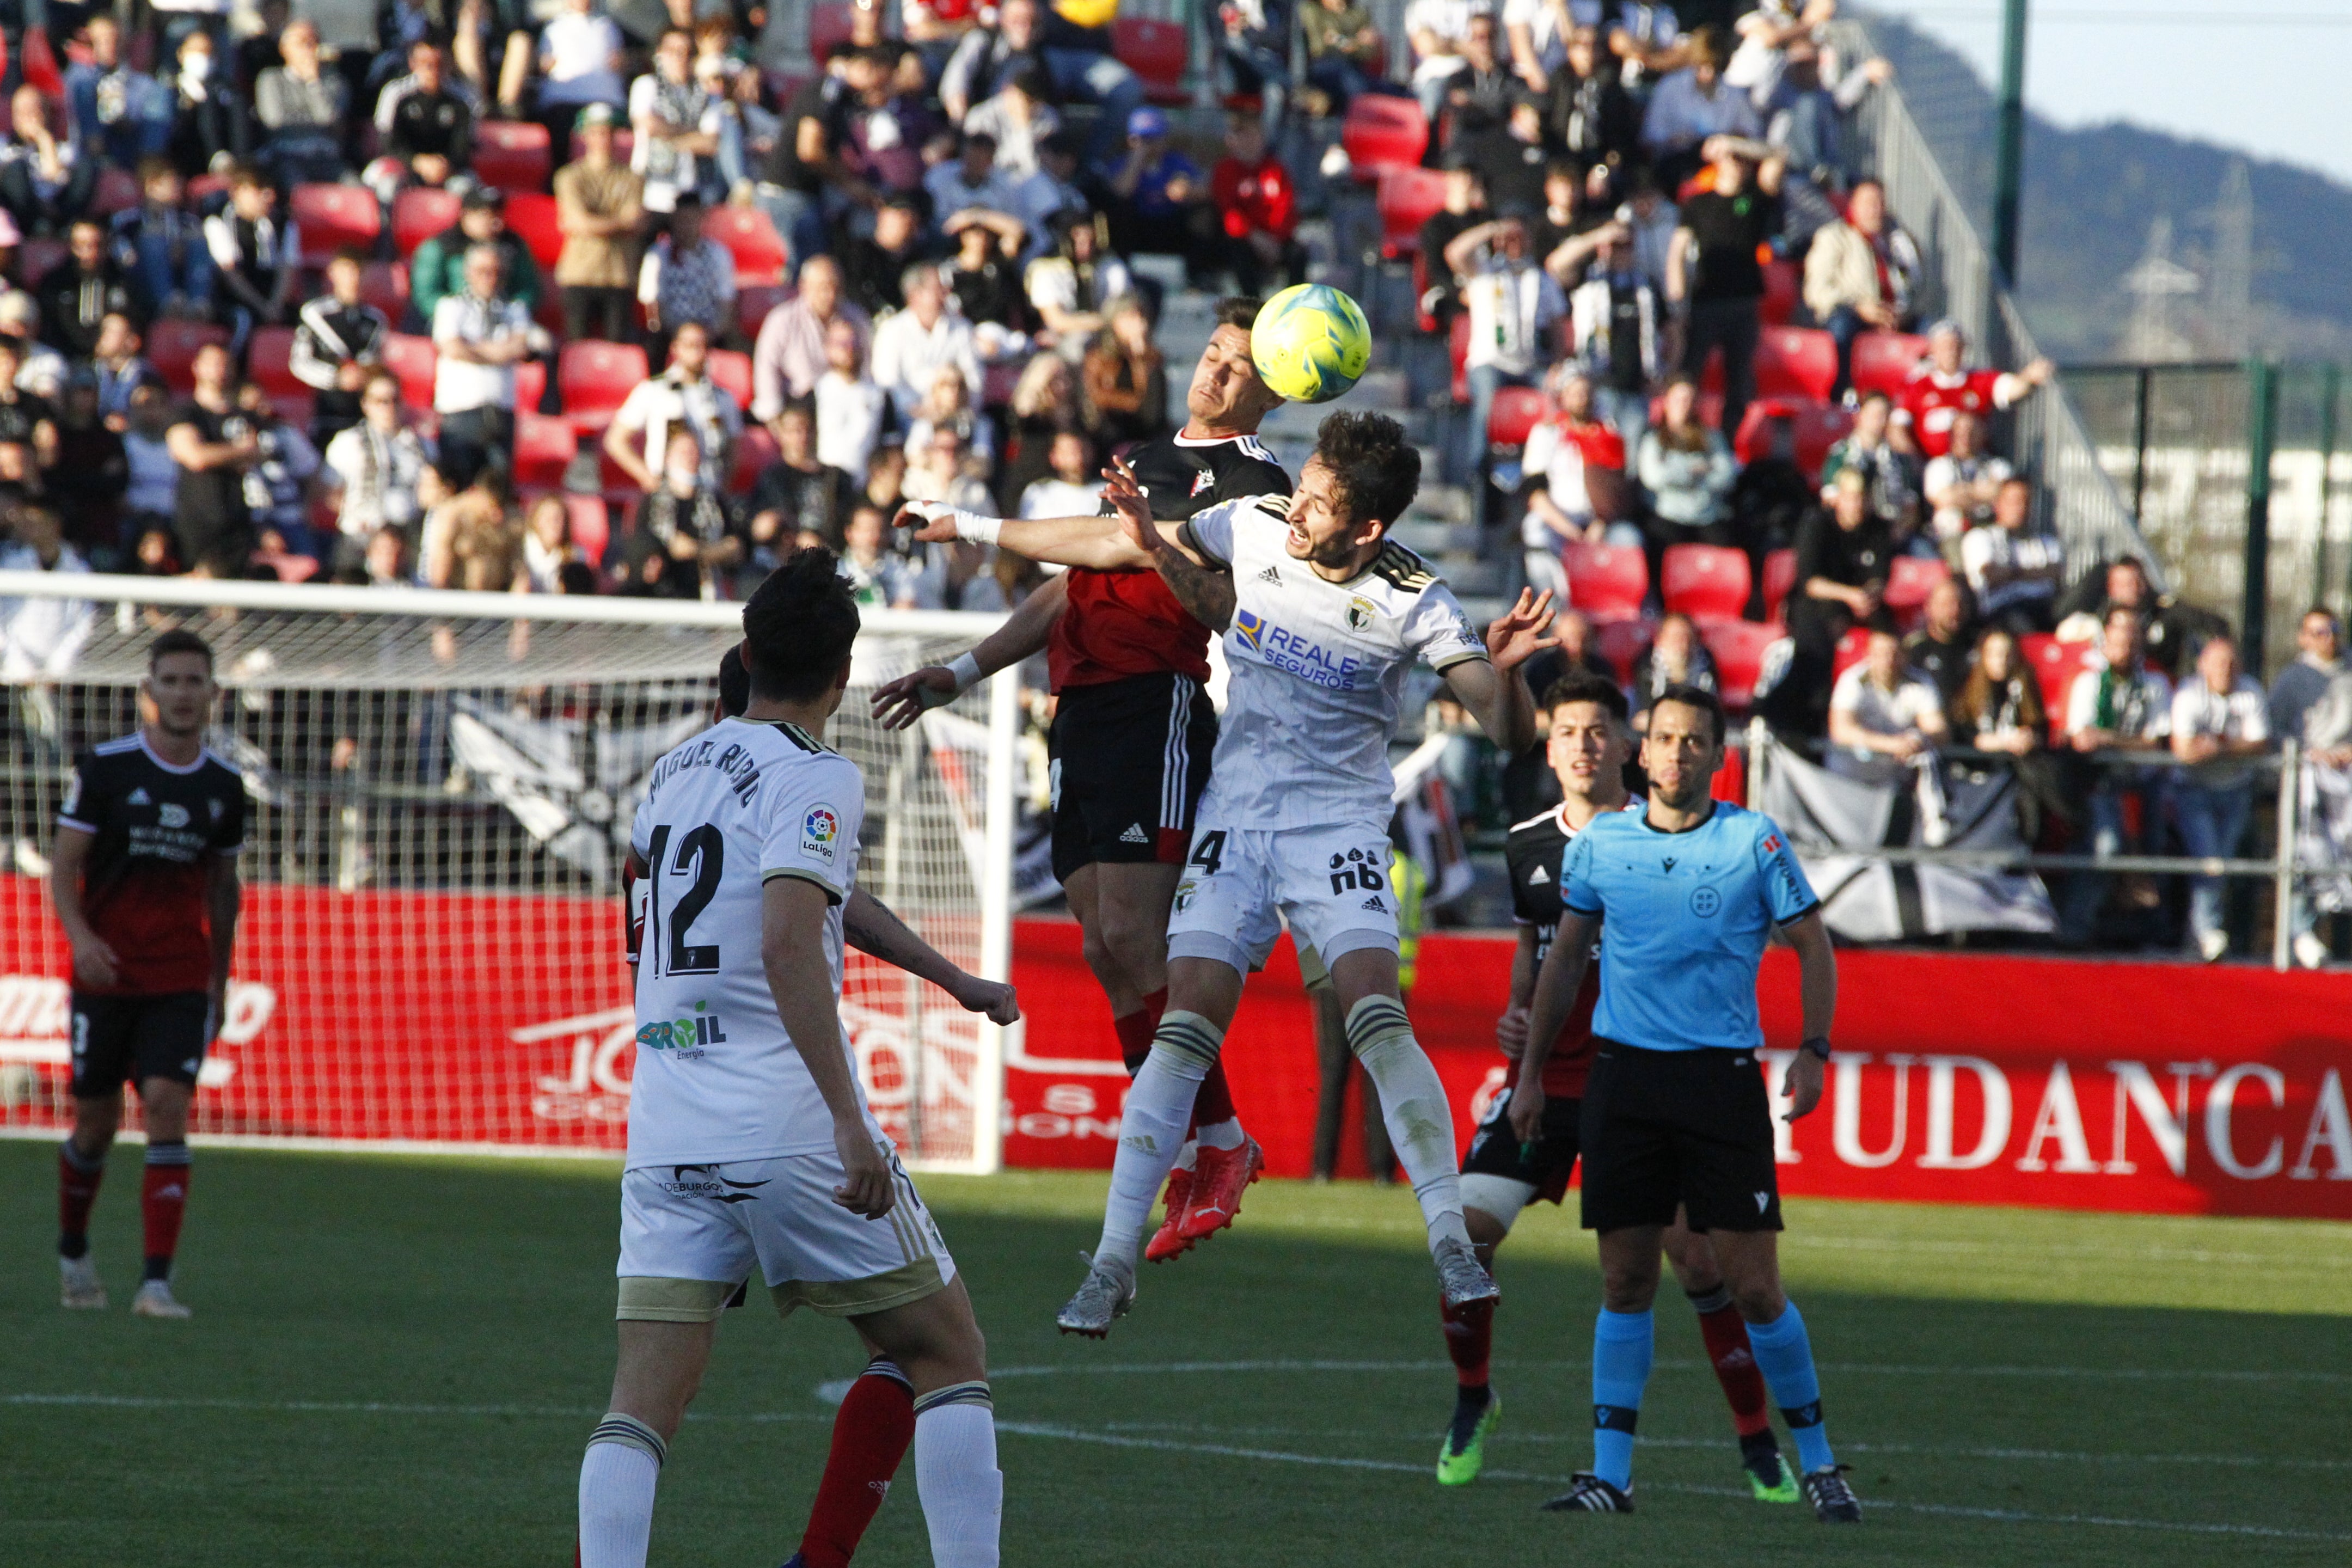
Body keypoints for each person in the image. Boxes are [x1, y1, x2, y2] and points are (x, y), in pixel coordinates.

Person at [933, 413, 1547, 1334]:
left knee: (1376, 1016)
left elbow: (1505, 732)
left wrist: (1510, 677)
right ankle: (1109, 1265)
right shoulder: (1255, 521)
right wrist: (984, 527)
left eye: (1322, 501)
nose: (1299, 507)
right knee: (1182, 1031)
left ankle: (1451, 1244)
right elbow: (1123, 553)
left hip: (1334, 826)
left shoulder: (1418, 600)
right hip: (1237, 818)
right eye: (1302, 484)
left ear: (1368, 530)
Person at [578, 550, 1012, 1568]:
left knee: (640, 1407)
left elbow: (776, 897)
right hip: (781, 1121)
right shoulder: (817, 771)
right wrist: (849, 1121)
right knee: (947, 1354)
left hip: (668, 1122)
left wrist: (951, 979)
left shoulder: (674, 770)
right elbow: (785, 935)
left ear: (747, 650)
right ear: (844, 672)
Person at [873, 299, 1290, 1262]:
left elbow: (1114, 546)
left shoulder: (1254, 481)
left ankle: (1221, 1141)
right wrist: (966, 672)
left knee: (1139, 937)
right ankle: (1194, 1142)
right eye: (1216, 357)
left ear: (1270, 393)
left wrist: (975, 523)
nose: (1218, 376)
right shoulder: (1146, 457)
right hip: (1082, 708)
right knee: (1105, 947)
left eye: (1242, 370)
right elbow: (1075, 582)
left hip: (1159, 705)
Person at [1441, 673, 1794, 1500]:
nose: (1582, 746)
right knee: (1462, 1240)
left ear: (1625, 748)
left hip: (1637, 1087)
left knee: (1699, 1265)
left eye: (1599, 732)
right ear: (1550, 744)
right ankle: (1473, 1398)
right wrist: (1515, 1020)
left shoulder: (1660, 833)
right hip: (1547, 1084)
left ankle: (1757, 1442)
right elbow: (1536, 950)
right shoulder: (1529, 841)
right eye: (1567, 732)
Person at [1510, 683, 1855, 1522]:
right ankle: (1610, 1476)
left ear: (1716, 755)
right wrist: (1527, 1075)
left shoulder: (1752, 841)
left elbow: (1813, 945)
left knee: (1754, 1288)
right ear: (1643, 749)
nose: (1674, 754)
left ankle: (1819, 1461)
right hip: (1623, 1081)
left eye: (1692, 741)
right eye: (1663, 739)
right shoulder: (1603, 846)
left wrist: (1814, 1049)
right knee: (1625, 1279)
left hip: (1719, 1083)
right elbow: (1563, 965)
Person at [51, 630, 247, 1320]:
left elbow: (224, 891)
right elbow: (63, 865)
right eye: (172, 680)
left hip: (180, 977)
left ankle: (156, 1283)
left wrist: (220, 982)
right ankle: (74, 1251)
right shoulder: (105, 770)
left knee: (166, 1104)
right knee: (96, 1124)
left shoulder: (225, 788)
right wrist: (80, 941)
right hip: (106, 975)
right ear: (148, 691)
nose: (184, 693)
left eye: (197, 682)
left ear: (214, 696)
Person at [2057, 607, 2173, 947]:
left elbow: (2158, 744)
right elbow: (2083, 740)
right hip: (2099, 781)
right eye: (2119, 638)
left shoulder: (2155, 682)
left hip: (2146, 779)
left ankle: (2159, 935)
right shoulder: (2091, 681)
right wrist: (2134, 744)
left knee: (2157, 849)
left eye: (2132, 638)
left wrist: (2110, 738)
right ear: (2105, 642)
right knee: (2105, 847)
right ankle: (2075, 932)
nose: (2125, 645)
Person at [1666, 139, 1784, 440]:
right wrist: (1677, 302)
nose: (1737, 164)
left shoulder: (1754, 200)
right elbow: (1677, 253)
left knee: (1740, 378)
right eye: (1732, 159)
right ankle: (1680, 436)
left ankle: (1730, 443)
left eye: (1741, 160)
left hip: (1743, 302)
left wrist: (1733, 144)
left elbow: (1777, 157)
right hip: (1706, 300)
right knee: (1689, 372)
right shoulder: (1699, 203)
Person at [2170, 633, 2269, 963]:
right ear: (2203, 666)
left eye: (2230, 663)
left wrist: (2218, 746)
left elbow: (2260, 744)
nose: (2225, 669)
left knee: (2219, 864)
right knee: (2209, 861)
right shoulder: (2188, 695)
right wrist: (2228, 749)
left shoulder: (2250, 691)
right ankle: (2206, 930)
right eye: (2217, 662)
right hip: (2193, 790)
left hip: (2235, 791)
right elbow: (2184, 751)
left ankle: (2196, 940)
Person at [1772, 466, 1891, 737]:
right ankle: (1811, 717)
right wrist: (1850, 595)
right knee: (1815, 642)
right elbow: (1810, 582)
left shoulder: (1878, 529)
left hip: (1861, 602)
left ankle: (1888, 696)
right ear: (1838, 498)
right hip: (1818, 601)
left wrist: (1870, 594)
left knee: (1888, 630)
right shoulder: (1817, 523)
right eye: (1851, 497)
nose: (1857, 504)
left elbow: (1881, 575)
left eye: (1862, 497)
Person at [431, 242, 536, 490]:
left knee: (498, 489)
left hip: (500, 413)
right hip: (461, 413)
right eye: (483, 271)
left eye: (496, 272)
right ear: (468, 273)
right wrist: (499, 351)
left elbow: (521, 348)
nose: (490, 278)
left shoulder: (514, 309)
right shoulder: (452, 307)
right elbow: (452, 347)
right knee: (459, 486)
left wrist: (474, 348)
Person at [1800, 179, 1916, 399]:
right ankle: (1840, 397)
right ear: (1853, 205)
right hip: (1849, 314)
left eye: (1880, 203)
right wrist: (1860, 308)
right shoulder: (1833, 237)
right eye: (1870, 203)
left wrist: (1897, 314)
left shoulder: (1894, 244)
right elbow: (1816, 290)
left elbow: (1914, 286)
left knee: (1934, 334)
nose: (1876, 210)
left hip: (1891, 316)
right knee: (1842, 327)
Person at [1521, 368, 1633, 596]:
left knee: (1630, 538)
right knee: (1534, 529)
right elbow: (1536, 493)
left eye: (1586, 393)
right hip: (1560, 518)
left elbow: (1620, 490)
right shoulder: (1547, 433)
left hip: (1600, 520)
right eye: (1575, 393)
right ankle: (1554, 606)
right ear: (1563, 397)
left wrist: (1601, 523)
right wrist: (1569, 529)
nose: (1582, 398)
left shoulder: (1608, 435)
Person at [553, 103, 646, 346]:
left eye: (609, 132)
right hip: (580, 273)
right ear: (585, 136)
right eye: (596, 132)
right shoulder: (569, 177)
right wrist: (618, 222)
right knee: (576, 348)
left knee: (618, 349)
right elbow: (579, 221)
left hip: (619, 274)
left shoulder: (632, 178)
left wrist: (594, 223)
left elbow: (634, 220)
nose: (604, 139)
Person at [322, 371, 432, 575]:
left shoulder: (422, 445)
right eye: (381, 401)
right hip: (361, 538)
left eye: (395, 400)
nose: (389, 408)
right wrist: (355, 515)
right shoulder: (349, 442)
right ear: (366, 404)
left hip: (406, 540)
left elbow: (429, 493)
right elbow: (329, 490)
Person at [1897, 318, 2054, 461]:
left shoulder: (1979, 380)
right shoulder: (1917, 386)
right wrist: (1914, 461)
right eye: (1946, 347)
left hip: (1978, 465)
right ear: (1933, 351)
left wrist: (2030, 377)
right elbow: (1898, 427)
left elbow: (2013, 389)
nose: (1952, 352)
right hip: (1932, 468)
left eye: (1956, 346)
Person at [164, 341, 260, 574]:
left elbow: (256, 454)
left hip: (238, 523)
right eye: (214, 363)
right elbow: (195, 457)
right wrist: (239, 451)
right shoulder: (184, 413)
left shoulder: (245, 417)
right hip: (197, 522)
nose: (220, 370)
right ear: (197, 367)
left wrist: (224, 453)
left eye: (226, 364)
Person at [1635, 372, 1738, 583]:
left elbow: (1727, 477)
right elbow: (1654, 478)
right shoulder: (1654, 440)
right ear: (1666, 403)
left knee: (1728, 553)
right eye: (1678, 399)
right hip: (1668, 516)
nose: (1684, 405)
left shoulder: (1712, 438)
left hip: (1706, 515)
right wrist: (1695, 469)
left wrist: (1675, 472)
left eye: (1689, 400)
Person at [1567, 228, 1662, 442]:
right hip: (1599, 384)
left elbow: (1672, 328)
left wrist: (1666, 370)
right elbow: (1558, 265)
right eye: (1615, 246)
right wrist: (1599, 236)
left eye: (1626, 246)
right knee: (1602, 448)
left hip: (1637, 386)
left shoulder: (1647, 286)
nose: (1621, 252)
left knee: (1630, 461)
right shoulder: (1589, 280)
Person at [290, 250, 393, 446]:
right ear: (332, 273)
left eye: (358, 271)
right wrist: (336, 378)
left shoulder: (376, 322)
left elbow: (377, 364)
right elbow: (300, 363)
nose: (353, 278)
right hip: (327, 414)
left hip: (362, 417)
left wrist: (365, 375)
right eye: (346, 270)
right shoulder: (315, 314)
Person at [754, 256, 872, 419]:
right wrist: (774, 416)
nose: (830, 295)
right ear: (804, 287)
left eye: (836, 288)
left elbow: (868, 368)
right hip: (799, 410)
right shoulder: (782, 320)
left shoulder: (858, 319)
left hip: (848, 407)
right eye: (823, 288)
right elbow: (767, 368)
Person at [1826, 626, 1947, 784]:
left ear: (1905, 656)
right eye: (1880, 654)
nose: (1888, 661)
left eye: (1895, 654)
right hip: (1849, 778)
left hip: (1894, 781)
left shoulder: (1920, 682)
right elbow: (1841, 730)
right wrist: (1891, 745)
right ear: (1868, 655)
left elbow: (1939, 729)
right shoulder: (1852, 681)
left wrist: (1919, 739)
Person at [412, 187, 544, 329]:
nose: (495, 222)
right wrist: (462, 313)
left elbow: (529, 288)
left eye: (498, 215)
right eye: (486, 215)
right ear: (466, 215)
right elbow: (426, 295)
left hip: (504, 322)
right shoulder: (441, 247)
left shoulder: (513, 245)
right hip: (454, 324)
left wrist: (511, 311)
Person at [203, 164, 297, 352]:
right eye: (260, 190)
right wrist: (262, 307)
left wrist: (275, 305)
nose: (269, 197)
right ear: (239, 192)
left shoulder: (283, 222)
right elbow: (231, 276)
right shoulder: (218, 220)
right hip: (235, 299)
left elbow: (288, 268)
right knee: (243, 321)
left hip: (272, 298)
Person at [1209, 114, 1304, 297]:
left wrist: (1274, 240)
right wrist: (1255, 238)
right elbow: (1228, 213)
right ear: (1232, 141)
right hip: (1243, 239)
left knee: (1298, 254)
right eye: (1243, 137)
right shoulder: (1225, 171)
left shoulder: (1276, 170)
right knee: (1237, 250)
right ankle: (1252, 305)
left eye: (1254, 136)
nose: (1249, 143)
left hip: (1274, 239)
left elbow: (1287, 208)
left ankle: (1294, 304)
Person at [635, 196, 736, 370]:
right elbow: (652, 306)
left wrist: (709, 335)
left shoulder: (719, 255)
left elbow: (725, 302)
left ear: (701, 220)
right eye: (682, 220)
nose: (686, 226)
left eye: (691, 220)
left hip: (708, 332)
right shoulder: (658, 255)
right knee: (653, 346)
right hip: (670, 332)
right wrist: (678, 336)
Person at [870, 265, 980, 423]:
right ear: (916, 295)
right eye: (938, 288)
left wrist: (955, 407)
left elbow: (974, 379)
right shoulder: (892, 331)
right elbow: (887, 382)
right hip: (908, 419)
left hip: (956, 417)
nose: (946, 293)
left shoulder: (962, 328)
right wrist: (920, 410)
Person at [632, 28, 722, 216]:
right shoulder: (647, 85)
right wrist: (694, 132)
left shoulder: (707, 94)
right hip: (653, 191)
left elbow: (711, 142)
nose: (681, 58)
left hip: (694, 193)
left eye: (687, 53)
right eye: (674, 51)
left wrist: (669, 137)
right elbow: (649, 126)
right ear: (660, 54)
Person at [111, 160, 213, 322]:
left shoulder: (187, 222)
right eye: (173, 181)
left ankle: (199, 303)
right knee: (153, 240)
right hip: (141, 282)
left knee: (197, 240)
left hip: (180, 282)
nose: (180, 185)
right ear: (152, 186)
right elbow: (123, 256)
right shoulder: (128, 220)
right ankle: (168, 303)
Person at [1958, 475, 2062, 634]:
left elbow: (2056, 573)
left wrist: (2012, 573)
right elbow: (1991, 575)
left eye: (2026, 502)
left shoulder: (2047, 542)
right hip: (2005, 608)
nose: (2021, 507)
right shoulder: (1981, 537)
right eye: (2014, 501)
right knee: (2019, 622)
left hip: (2048, 606)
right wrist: (2037, 572)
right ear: (1998, 504)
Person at [252, 19, 347, 187]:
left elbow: (328, 119)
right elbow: (275, 122)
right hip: (286, 157)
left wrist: (313, 82)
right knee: (300, 192)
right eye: (302, 43)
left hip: (326, 158)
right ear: (284, 49)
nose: (308, 50)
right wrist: (313, 122)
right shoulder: (270, 79)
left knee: (358, 193)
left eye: (313, 43)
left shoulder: (334, 81)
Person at [35, 219, 140, 363]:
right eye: (80, 245)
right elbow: (47, 327)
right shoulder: (54, 283)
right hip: (64, 359)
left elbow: (133, 321)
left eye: (97, 246)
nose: (89, 253)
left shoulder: (122, 282)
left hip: (110, 361)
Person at [0, 86, 99, 238]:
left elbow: (53, 175)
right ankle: (37, 225)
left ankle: (64, 227)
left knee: (87, 165)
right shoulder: (4, 145)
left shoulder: (62, 148)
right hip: (20, 213)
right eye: (23, 112)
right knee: (16, 168)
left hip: (59, 209)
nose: (29, 118)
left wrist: (43, 138)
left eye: (35, 111)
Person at [1080, 296, 1167, 450]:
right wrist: (1133, 403)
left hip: (1145, 430)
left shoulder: (1150, 357)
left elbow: (1153, 407)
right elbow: (1097, 397)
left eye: (1141, 316)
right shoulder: (1098, 356)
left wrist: (1140, 355)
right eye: (1131, 317)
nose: (1140, 323)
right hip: (1108, 430)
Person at [1921, 410, 2009, 543]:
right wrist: (1982, 492)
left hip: (1989, 532)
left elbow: (2004, 495)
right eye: (1960, 432)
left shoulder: (1998, 466)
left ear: (1983, 435)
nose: (1966, 437)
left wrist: (1960, 492)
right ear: (1952, 435)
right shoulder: (1938, 466)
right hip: (1950, 536)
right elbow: (1945, 498)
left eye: (1972, 432)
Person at [1629, 612, 1718, 731]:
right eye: (1675, 637)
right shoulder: (1644, 665)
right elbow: (1643, 712)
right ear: (1659, 640)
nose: (1682, 643)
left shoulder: (1706, 664)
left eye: (1688, 637)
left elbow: (1709, 709)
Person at [2270, 608, 2343, 746]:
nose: (2330, 638)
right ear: (2303, 639)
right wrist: (2306, 752)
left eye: (2335, 630)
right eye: (2320, 633)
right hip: (2308, 760)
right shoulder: (2291, 678)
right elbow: (2276, 729)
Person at [1901, 576, 1974, 706]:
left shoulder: (1979, 644)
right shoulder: (1915, 649)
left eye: (1961, 603)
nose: (1955, 611)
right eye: (1947, 604)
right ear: (1929, 608)